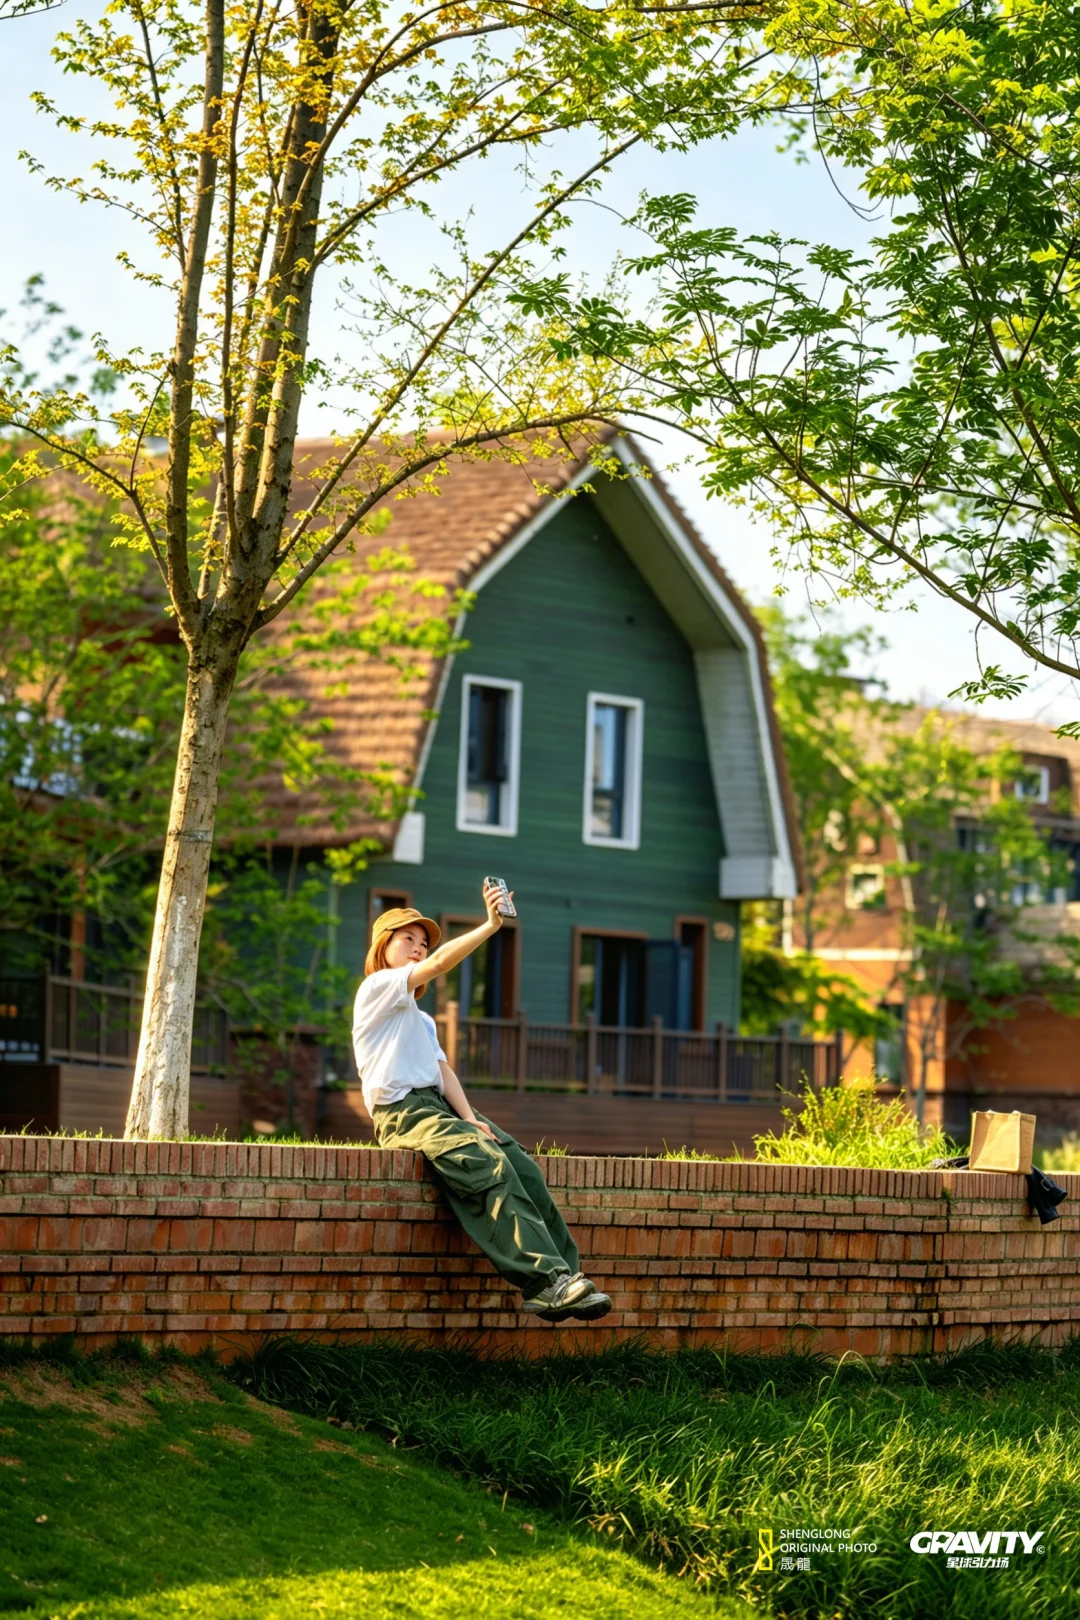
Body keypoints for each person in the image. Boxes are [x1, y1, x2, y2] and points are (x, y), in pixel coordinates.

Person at [352, 882, 611, 1323]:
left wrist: (470, 1119)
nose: (418, 948)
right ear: (382, 948)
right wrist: (491, 926)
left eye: (422, 943)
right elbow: (440, 963)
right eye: (407, 939)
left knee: (522, 1166)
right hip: (401, 1113)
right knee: (484, 1163)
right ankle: (544, 1282)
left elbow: (443, 1072)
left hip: (438, 1107)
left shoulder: (421, 1020)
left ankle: (568, 1278)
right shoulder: (376, 988)